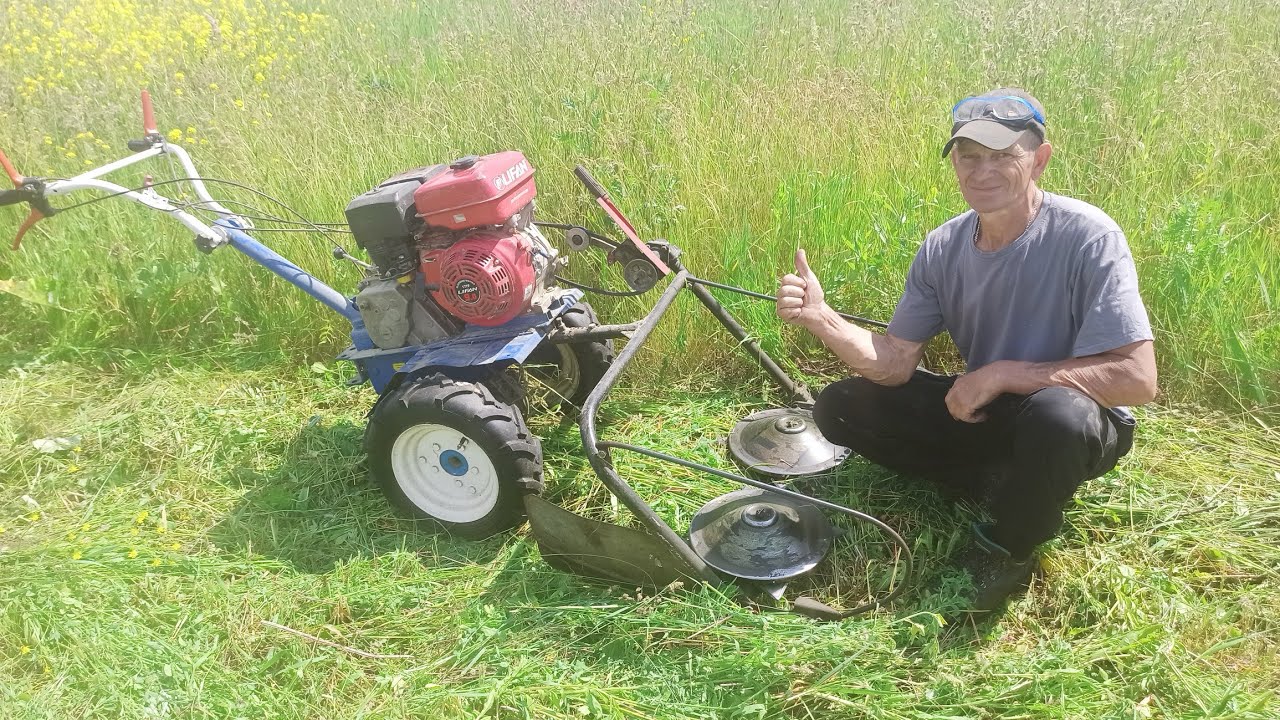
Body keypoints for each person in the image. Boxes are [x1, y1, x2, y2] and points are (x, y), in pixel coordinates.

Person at [775, 88, 1157, 613]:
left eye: (1003, 155)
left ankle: (1008, 545)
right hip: (984, 410)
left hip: (1073, 418)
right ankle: (1004, 478)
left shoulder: (1088, 235)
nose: (983, 171)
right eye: (969, 156)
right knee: (840, 406)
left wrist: (1003, 373)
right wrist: (823, 320)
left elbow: (1137, 379)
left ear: (1040, 159)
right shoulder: (942, 246)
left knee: (1059, 415)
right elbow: (893, 364)